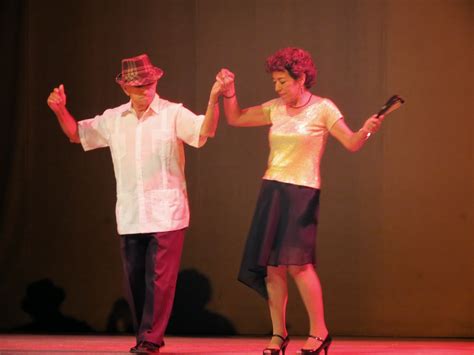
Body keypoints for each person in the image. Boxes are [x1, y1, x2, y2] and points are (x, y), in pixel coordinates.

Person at [47, 53, 221, 354]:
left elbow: (205, 130)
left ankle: (150, 338)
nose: (146, 90)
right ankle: (146, 335)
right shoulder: (114, 118)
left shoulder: (172, 113)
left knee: (160, 280)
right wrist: (61, 110)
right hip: (130, 212)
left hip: (167, 211)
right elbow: (78, 134)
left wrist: (214, 98)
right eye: (139, 86)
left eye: (150, 84)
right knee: (134, 282)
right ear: (125, 89)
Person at [216, 47, 383, 355]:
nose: (277, 88)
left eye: (282, 81)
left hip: (302, 191)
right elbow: (236, 118)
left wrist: (366, 131)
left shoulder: (324, 109)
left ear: (301, 78)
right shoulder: (275, 108)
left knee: (299, 266)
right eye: (275, 82)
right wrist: (229, 93)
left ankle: (320, 332)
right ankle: (279, 334)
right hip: (272, 190)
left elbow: (351, 143)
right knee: (273, 267)